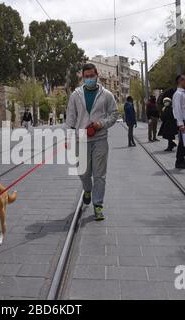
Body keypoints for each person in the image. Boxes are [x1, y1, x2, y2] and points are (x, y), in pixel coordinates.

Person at [65, 63, 119, 221]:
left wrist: (100, 124)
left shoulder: (107, 95)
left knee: (100, 175)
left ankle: (98, 205)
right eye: (86, 76)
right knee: (83, 172)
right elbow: (70, 118)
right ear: (83, 77)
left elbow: (114, 114)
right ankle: (87, 190)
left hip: (100, 139)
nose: (89, 79)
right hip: (81, 139)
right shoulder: (75, 95)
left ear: (97, 76)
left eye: (91, 76)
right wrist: (69, 137)